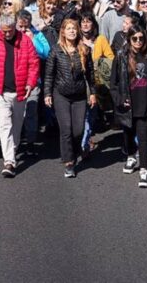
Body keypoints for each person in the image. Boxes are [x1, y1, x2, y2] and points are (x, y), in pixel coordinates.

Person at [0, 12, 40, 178]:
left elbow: (33, 64)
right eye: (4, 31)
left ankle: (12, 149)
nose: (6, 34)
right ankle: (9, 161)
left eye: (9, 30)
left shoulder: (25, 40)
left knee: (17, 124)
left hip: (20, 90)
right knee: (4, 123)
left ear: (15, 27)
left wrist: (30, 83)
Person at [43, 17, 95, 178]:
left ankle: (76, 149)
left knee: (78, 131)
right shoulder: (56, 50)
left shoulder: (84, 49)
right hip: (61, 95)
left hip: (79, 96)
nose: (72, 31)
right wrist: (47, 93)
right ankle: (69, 162)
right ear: (63, 32)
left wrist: (92, 93)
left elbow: (91, 75)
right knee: (66, 129)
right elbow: (49, 75)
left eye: (74, 28)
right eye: (69, 28)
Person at [110, 28, 147, 187]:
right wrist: (119, 99)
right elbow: (114, 83)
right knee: (128, 134)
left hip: (145, 104)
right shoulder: (121, 56)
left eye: (141, 39)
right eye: (135, 39)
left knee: (143, 137)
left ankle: (144, 171)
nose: (138, 42)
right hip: (128, 105)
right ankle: (131, 155)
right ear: (129, 40)